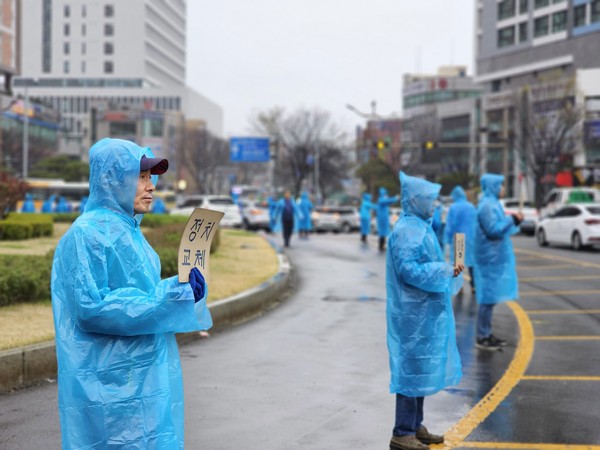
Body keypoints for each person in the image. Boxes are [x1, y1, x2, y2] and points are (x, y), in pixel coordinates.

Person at [51, 138, 212, 449]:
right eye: (141, 177)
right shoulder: (85, 235)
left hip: (146, 380)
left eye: (150, 177)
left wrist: (179, 288)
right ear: (111, 179)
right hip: (107, 388)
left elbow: (143, 295)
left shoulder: (133, 235)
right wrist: (166, 299)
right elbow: (90, 308)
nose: (150, 186)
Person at [386, 172, 464, 450]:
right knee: (410, 371)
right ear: (415, 200)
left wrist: (448, 270)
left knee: (419, 368)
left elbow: (422, 265)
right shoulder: (408, 229)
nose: (433, 204)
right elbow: (409, 271)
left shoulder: (420, 226)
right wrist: (443, 269)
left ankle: (414, 425)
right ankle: (402, 431)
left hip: (422, 313)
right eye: (429, 199)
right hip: (412, 314)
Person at [473, 173, 522, 351]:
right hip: (488, 257)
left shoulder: (492, 204)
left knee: (490, 297)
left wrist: (513, 221)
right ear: (492, 186)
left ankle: (486, 333)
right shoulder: (487, 205)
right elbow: (493, 230)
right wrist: (512, 219)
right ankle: (482, 336)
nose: (503, 188)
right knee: (487, 297)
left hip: (487, 254)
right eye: (500, 185)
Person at [444, 186, 477, 294]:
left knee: (458, 263)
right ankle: (474, 285)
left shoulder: (454, 207)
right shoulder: (471, 206)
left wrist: (447, 238)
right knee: (472, 262)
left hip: (459, 238)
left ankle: (459, 287)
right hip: (471, 237)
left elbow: (450, 224)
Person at [376, 186, 400, 252]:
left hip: (383, 218)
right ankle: (381, 246)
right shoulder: (381, 199)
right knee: (382, 232)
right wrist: (395, 198)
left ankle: (382, 246)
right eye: (385, 193)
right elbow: (387, 201)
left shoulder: (382, 200)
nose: (386, 195)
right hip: (382, 219)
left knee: (384, 232)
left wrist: (394, 199)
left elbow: (388, 201)